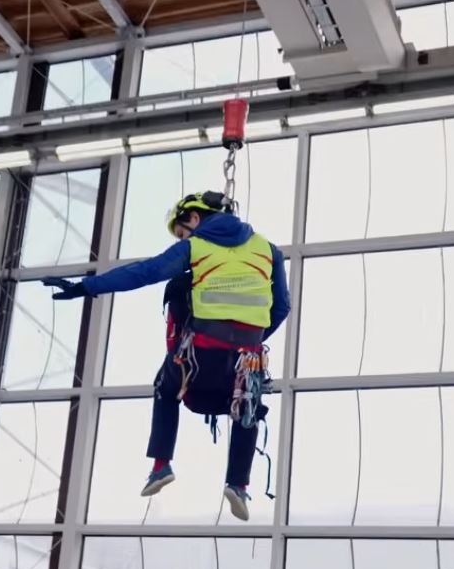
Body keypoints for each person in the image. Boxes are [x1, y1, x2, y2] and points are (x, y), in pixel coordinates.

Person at [45, 191, 291, 520]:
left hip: (204, 347)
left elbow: (145, 272)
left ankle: (161, 466)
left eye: (181, 231)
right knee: (248, 404)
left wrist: (85, 287)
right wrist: (254, 338)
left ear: (193, 217)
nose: (183, 237)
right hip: (248, 355)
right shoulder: (268, 250)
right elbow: (283, 306)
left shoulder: (197, 246)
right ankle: (239, 484)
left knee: (165, 387)